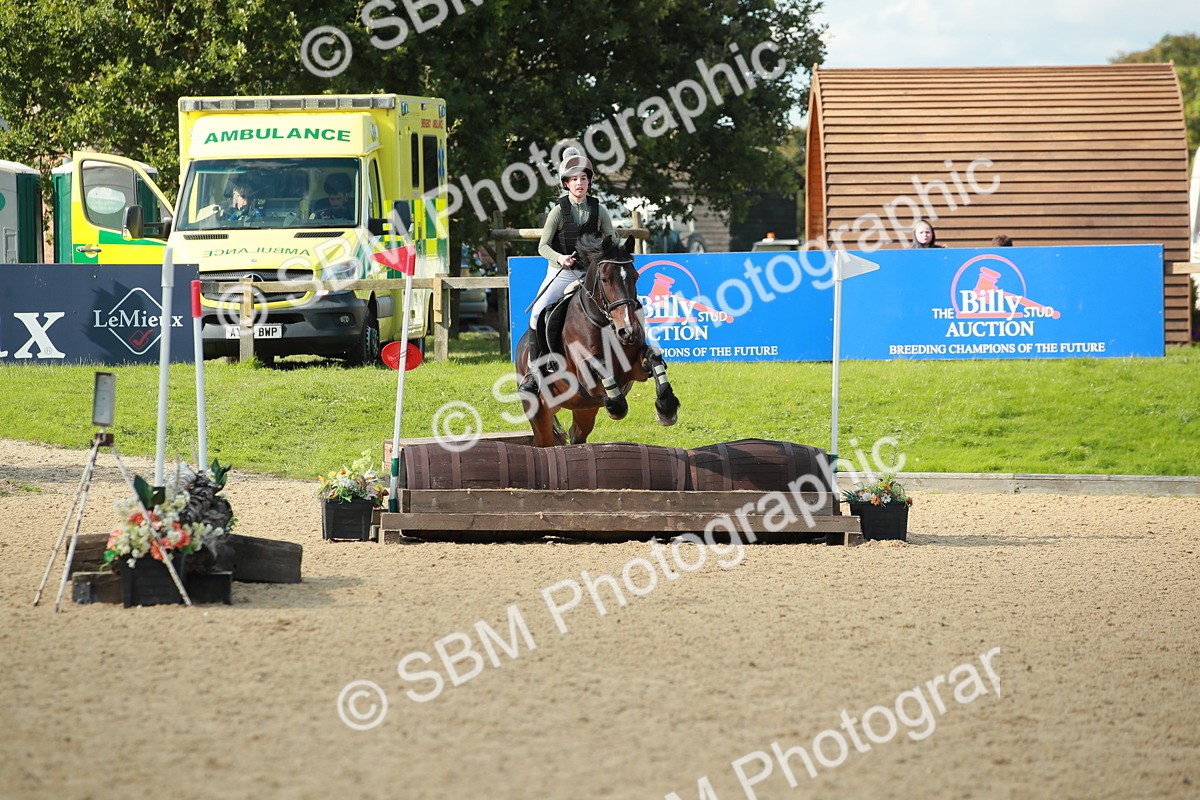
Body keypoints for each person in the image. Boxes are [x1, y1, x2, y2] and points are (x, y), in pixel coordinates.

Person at [518, 147, 618, 396]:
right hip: (561, 272)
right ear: (566, 183)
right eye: (574, 179)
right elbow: (542, 246)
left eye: (583, 178)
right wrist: (560, 257)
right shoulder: (558, 211)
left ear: (588, 182)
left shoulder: (599, 210)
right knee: (537, 313)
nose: (580, 183)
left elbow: (611, 239)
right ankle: (533, 372)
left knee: (619, 306)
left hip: (590, 274)